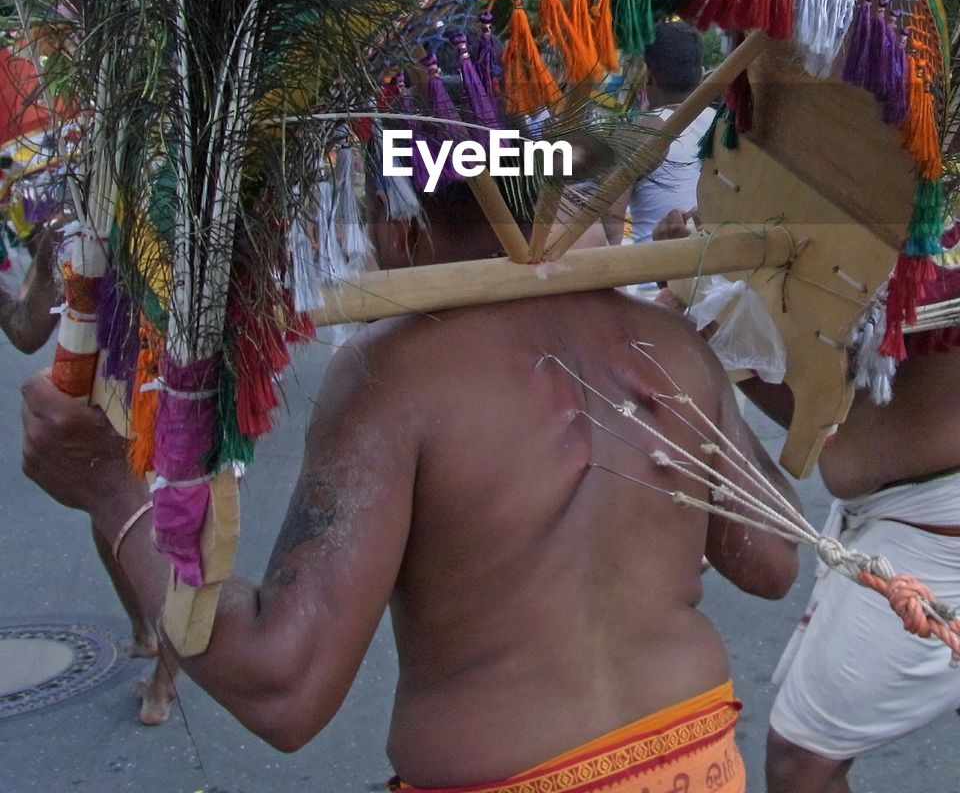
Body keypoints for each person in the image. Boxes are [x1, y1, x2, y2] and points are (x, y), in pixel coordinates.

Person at [21, 172, 801, 792]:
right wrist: (702, 366)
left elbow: (282, 685)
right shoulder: (666, 340)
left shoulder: (392, 369)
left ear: (397, 225)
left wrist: (111, 494)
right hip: (699, 760)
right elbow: (770, 560)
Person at [653, 207, 960, 793]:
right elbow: (827, 422)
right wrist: (703, 302)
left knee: (802, 762)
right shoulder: (875, 203)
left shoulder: (916, 220)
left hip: (933, 530)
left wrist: (704, 319)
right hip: (903, 517)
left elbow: (837, 437)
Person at [3, 215, 178, 725]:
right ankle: (147, 636)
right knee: (116, 525)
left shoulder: (188, 203)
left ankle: (165, 680)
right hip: (109, 407)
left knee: (171, 535)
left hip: (180, 403)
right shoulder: (68, 227)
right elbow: (26, 329)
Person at [603, 21, 714, 262]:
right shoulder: (725, 126)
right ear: (702, 74)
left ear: (647, 76)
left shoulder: (639, 130)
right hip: (721, 279)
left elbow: (609, 232)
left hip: (652, 287)